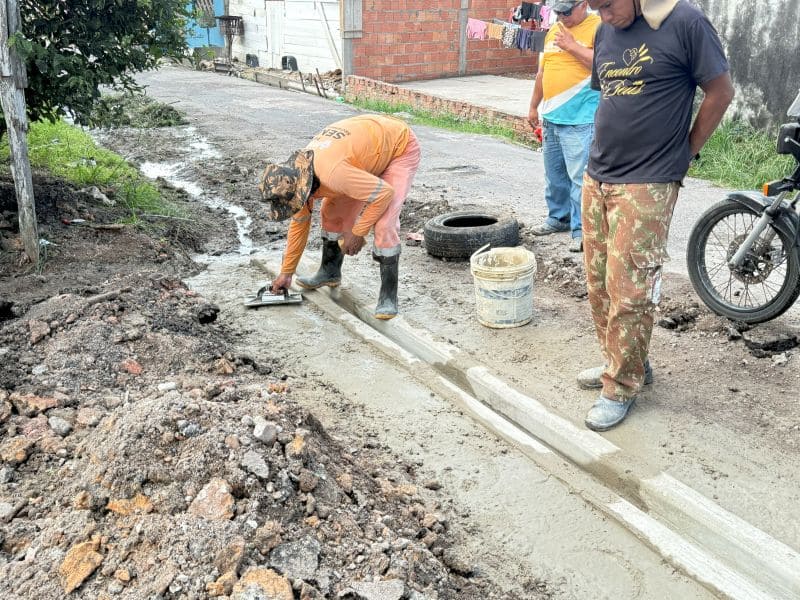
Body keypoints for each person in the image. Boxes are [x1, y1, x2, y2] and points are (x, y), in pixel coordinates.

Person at [579, 0, 734, 431]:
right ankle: (624, 361)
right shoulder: (605, 31)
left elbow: (721, 92)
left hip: (648, 181)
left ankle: (620, 385)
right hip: (598, 175)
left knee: (630, 287)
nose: (603, 16)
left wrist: (685, 154)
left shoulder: (685, 22)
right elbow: (611, 98)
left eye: (607, 5)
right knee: (599, 283)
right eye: (594, 7)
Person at [259, 114, 421, 320]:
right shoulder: (296, 180)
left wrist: (358, 233)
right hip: (363, 152)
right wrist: (286, 273)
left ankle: (388, 296)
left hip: (398, 146)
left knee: (384, 224)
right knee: (331, 213)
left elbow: (384, 193)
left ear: (304, 188)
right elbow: (299, 225)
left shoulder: (333, 174)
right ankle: (330, 272)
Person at [527, 0, 600, 253]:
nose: (561, 16)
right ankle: (558, 217)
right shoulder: (554, 30)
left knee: (580, 178)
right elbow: (542, 72)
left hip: (581, 118)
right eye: (557, 11)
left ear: (583, 5)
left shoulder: (599, 27)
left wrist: (572, 46)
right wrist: (533, 106)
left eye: (566, 11)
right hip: (552, 117)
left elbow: (604, 66)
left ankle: (582, 231)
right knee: (554, 175)